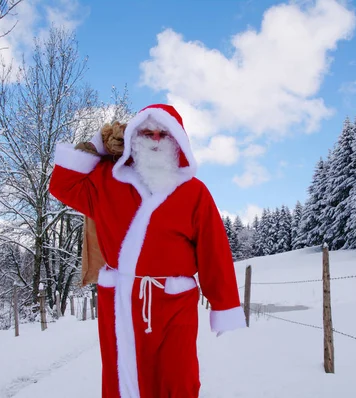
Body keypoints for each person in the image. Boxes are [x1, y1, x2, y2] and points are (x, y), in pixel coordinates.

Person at [49, 104, 246, 398]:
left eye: (162, 134)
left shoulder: (194, 192)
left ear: (177, 141)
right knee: (121, 376)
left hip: (173, 303)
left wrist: (223, 304)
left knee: (177, 379)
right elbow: (62, 185)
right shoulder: (106, 180)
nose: (154, 139)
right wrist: (97, 145)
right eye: (146, 132)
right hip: (118, 299)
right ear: (133, 138)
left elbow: (213, 250)